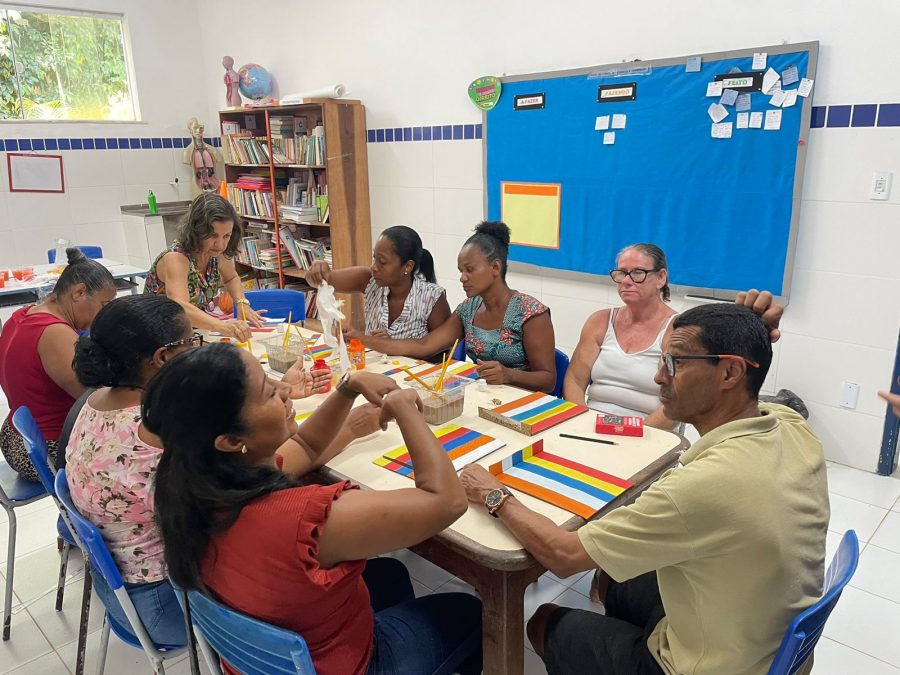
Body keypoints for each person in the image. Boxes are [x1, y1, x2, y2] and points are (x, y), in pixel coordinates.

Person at [459, 301, 828, 675]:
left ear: (730, 372)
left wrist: (494, 493)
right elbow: (749, 374)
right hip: (759, 640)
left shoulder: (700, 487)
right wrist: (751, 331)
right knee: (615, 580)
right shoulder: (790, 425)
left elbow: (562, 555)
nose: (658, 378)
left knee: (544, 620)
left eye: (675, 364)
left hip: (706, 666)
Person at [147, 344, 483, 675]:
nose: (284, 389)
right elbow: (446, 502)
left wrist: (348, 387)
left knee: (389, 575)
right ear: (232, 440)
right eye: (267, 393)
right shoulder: (305, 519)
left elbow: (306, 445)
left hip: (261, 657)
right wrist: (405, 407)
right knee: (468, 613)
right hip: (342, 665)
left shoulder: (197, 482)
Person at [65, 294, 375, 645]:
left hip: (119, 590)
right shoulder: (161, 432)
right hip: (168, 604)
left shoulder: (94, 401)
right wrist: (346, 427)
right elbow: (283, 460)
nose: (200, 349)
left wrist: (269, 397)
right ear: (163, 358)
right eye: (193, 341)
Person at [564, 244, 807, 428]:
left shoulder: (678, 331)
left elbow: (679, 400)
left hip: (648, 430)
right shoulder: (599, 321)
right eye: (621, 273)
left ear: (661, 278)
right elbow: (575, 380)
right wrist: (583, 423)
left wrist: (636, 435)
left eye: (637, 273)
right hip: (593, 424)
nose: (626, 281)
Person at [358, 221, 557, 392]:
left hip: (526, 405)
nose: (462, 278)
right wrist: (363, 340)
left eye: (469, 270)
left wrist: (508, 375)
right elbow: (424, 346)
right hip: (486, 397)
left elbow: (548, 380)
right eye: (461, 270)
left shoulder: (530, 313)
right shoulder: (468, 310)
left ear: (495, 267)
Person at [0, 249, 115, 480]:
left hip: (17, 437)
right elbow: (94, 400)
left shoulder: (21, 316)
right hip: (45, 450)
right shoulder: (55, 333)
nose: (104, 314)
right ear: (79, 292)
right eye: (104, 305)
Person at [143, 192, 261, 342]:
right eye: (213, 236)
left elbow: (231, 278)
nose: (220, 245)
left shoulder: (217, 253)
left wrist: (242, 303)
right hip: (157, 336)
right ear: (196, 231)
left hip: (189, 331)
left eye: (226, 236)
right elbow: (180, 307)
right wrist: (222, 326)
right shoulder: (176, 258)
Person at [306, 225, 451, 341]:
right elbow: (320, 279)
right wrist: (318, 269)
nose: (374, 267)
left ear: (407, 266)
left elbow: (441, 352)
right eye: (374, 258)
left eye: (382, 262)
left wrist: (389, 345)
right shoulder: (368, 280)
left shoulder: (432, 298)